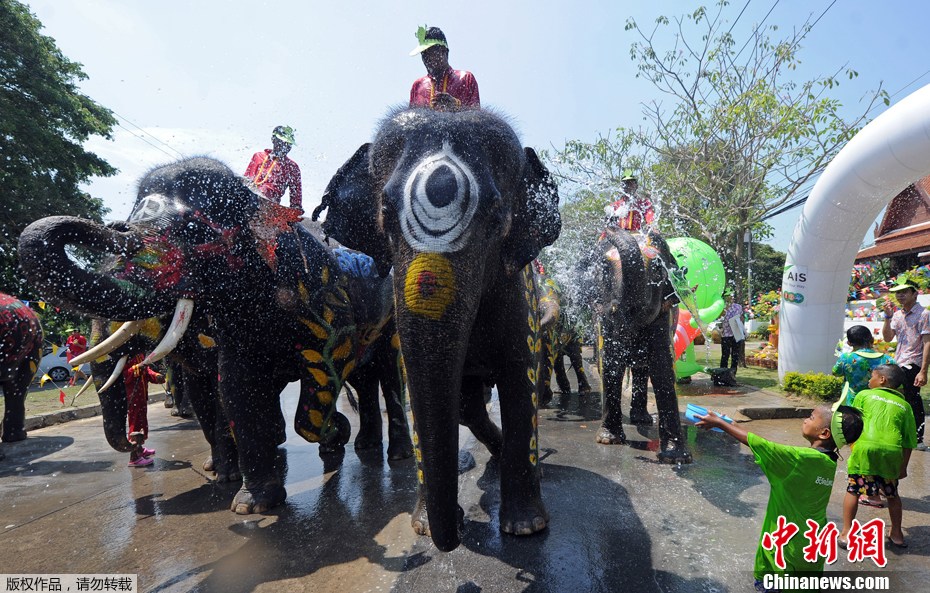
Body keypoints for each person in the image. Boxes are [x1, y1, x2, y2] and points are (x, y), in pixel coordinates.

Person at [697, 404, 862, 589]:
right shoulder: (827, 460)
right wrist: (730, 423)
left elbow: (762, 445)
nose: (805, 419)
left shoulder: (800, 459)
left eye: (811, 417)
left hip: (787, 547)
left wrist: (720, 423)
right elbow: (764, 444)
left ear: (824, 433)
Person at [840, 364, 916, 548]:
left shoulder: (864, 395)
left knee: (853, 490)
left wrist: (852, 446)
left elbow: (853, 423)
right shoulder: (905, 406)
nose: (869, 381)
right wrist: (903, 467)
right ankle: (897, 533)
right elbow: (909, 442)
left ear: (882, 379)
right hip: (892, 452)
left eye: (872, 377)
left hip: (865, 449)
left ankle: (847, 532)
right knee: (892, 494)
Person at [881, 277, 929, 451]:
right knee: (895, 398)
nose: (900, 295)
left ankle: (918, 438)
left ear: (915, 294)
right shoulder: (897, 315)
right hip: (898, 362)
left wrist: (923, 371)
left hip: (914, 362)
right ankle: (898, 435)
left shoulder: (924, 314)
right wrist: (887, 318)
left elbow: (928, 343)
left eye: (904, 292)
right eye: (897, 293)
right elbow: (888, 338)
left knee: (912, 399)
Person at [409, 26, 480, 111]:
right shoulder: (418, 86)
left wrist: (456, 106)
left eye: (430, 52)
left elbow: (476, 116)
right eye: (423, 54)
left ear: (444, 51)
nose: (426, 58)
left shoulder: (466, 79)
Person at [244, 125, 303, 211]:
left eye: (289, 144)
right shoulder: (258, 156)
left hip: (270, 204)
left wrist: (296, 209)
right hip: (249, 197)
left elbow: (296, 200)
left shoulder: (292, 167)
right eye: (282, 142)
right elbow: (246, 179)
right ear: (273, 140)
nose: (285, 147)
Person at [832, 324, 895, 405]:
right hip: (879, 403)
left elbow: (836, 372)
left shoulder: (846, 358)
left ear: (849, 343)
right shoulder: (888, 359)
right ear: (872, 339)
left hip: (853, 403)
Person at [124, 353, 167, 468]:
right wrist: (137, 368)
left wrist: (156, 376)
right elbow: (124, 375)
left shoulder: (138, 353)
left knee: (142, 423)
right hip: (133, 397)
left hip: (141, 396)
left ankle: (139, 449)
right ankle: (134, 458)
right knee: (135, 425)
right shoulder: (125, 355)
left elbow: (146, 371)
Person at [719, 292, 745, 376]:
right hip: (726, 334)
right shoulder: (721, 307)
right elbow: (719, 318)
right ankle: (723, 373)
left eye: (732, 296)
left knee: (735, 355)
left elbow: (741, 317)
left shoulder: (738, 307)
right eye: (729, 296)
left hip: (736, 331)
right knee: (725, 355)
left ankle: (733, 374)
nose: (731, 298)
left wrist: (740, 324)